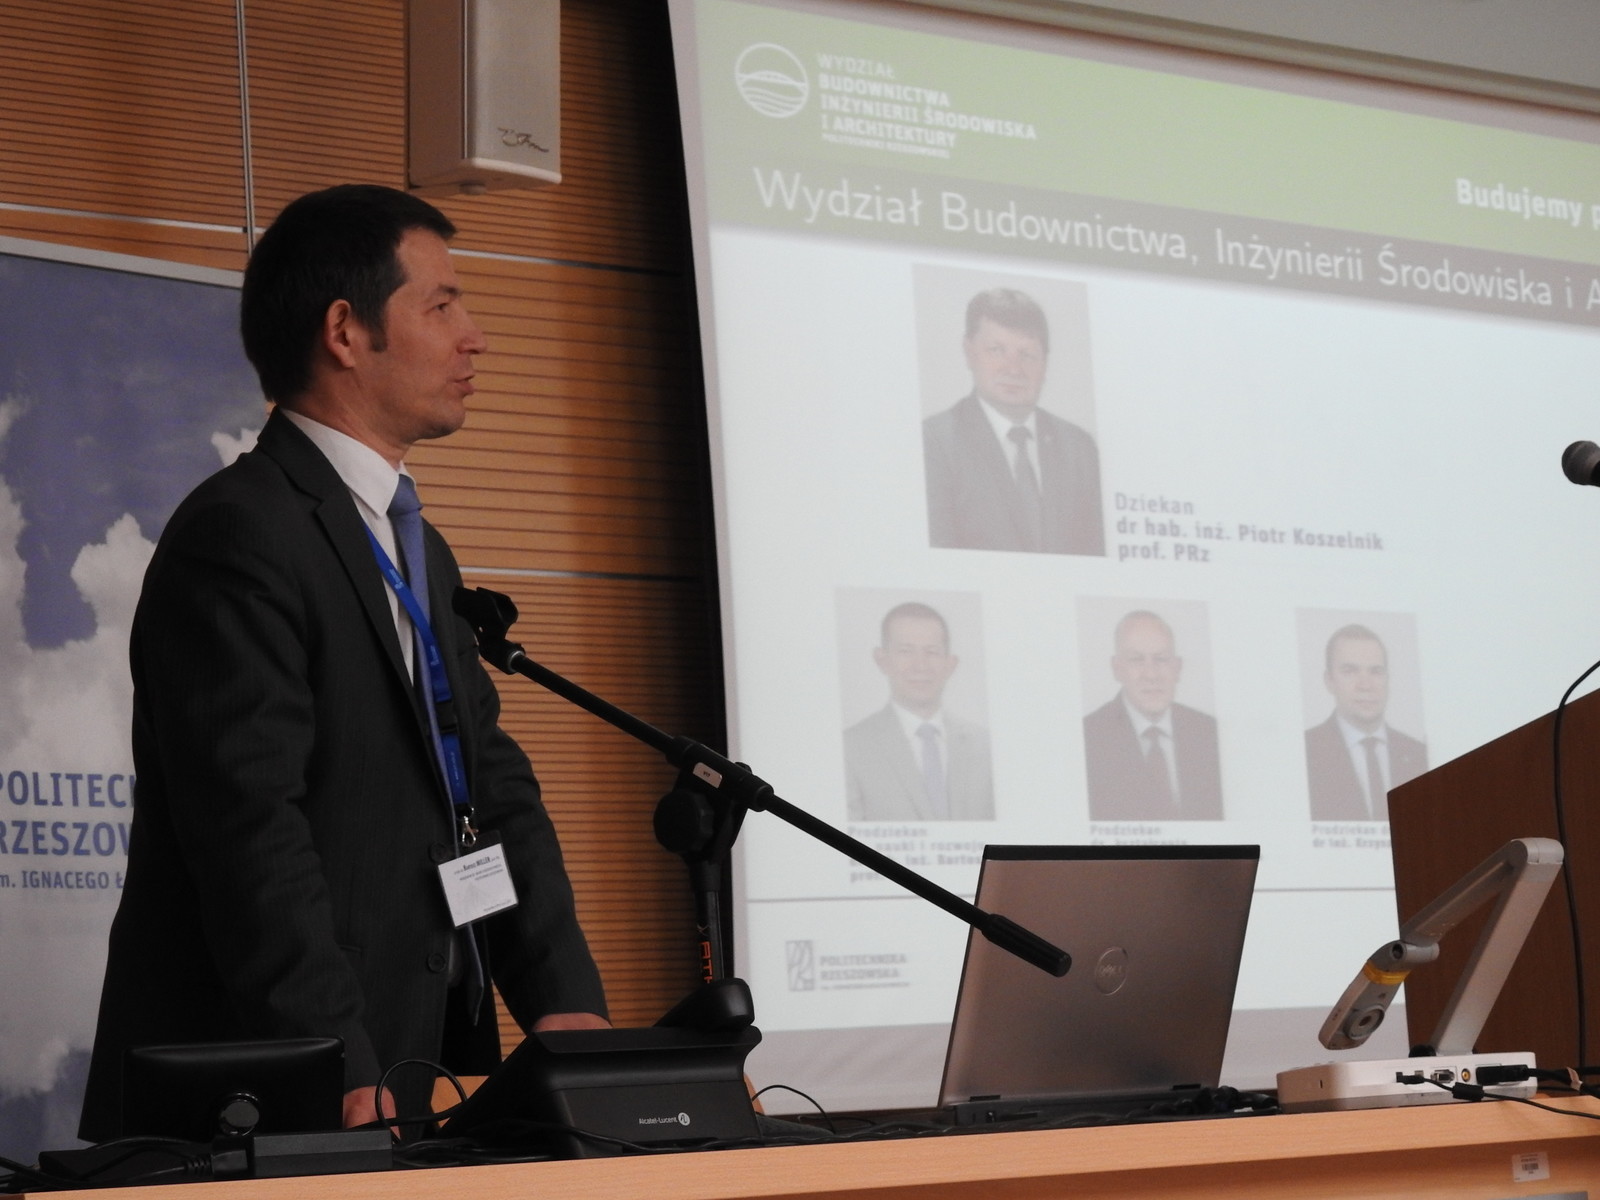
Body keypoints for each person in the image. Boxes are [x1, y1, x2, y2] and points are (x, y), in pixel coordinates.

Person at [79, 185, 608, 1141]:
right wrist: (332, 1059)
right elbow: (250, 832)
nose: (476, 337)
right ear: (345, 331)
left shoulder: (418, 546)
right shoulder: (241, 535)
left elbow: (488, 782)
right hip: (270, 1094)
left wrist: (564, 1003)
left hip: (402, 1068)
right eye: (442, 305)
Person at [923, 288, 1104, 556]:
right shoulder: (935, 443)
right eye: (997, 350)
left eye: (1027, 354)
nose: (1014, 369)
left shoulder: (1079, 448)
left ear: (1045, 363)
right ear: (969, 352)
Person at [844, 602, 994, 822]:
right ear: (882, 660)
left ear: (950, 664)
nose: (920, 665)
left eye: (932, 652)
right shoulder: (851, 747)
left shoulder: (986, 746)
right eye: (906, 651)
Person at [1083, 610, 1223, 820]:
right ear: (1117, 669)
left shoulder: (1209, 733)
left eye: (1161, 659)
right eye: (1136, 660)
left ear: (1178, 668)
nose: (1151, 674)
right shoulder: (1089, 737)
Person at [1305, 624, 1428, 821]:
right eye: (1350, 671)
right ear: (1329, 680)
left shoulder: (1419, 754)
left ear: (1387, 678)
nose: (1365, 685)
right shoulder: (1306, 751)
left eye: (1376, 671)